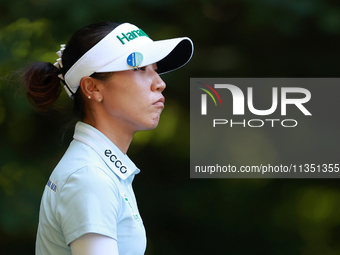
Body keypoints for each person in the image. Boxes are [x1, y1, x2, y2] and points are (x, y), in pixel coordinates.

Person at [24, 21, 193, 255]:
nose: (160, 83)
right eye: (139, 68)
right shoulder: (89, 177)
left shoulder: (98, 170)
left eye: (155, 69)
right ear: (92, 88)